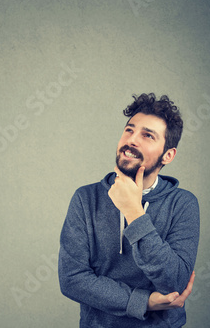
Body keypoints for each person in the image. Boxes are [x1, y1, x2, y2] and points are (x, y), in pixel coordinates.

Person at [58, 93, 200, 327]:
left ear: (168, 154)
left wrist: (133, 211)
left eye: (147, 135)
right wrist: (144, 302)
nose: (132, 140)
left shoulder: (183, 204)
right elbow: (72, 280)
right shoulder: (85, 198)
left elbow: (175, 282)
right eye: (129, 130)